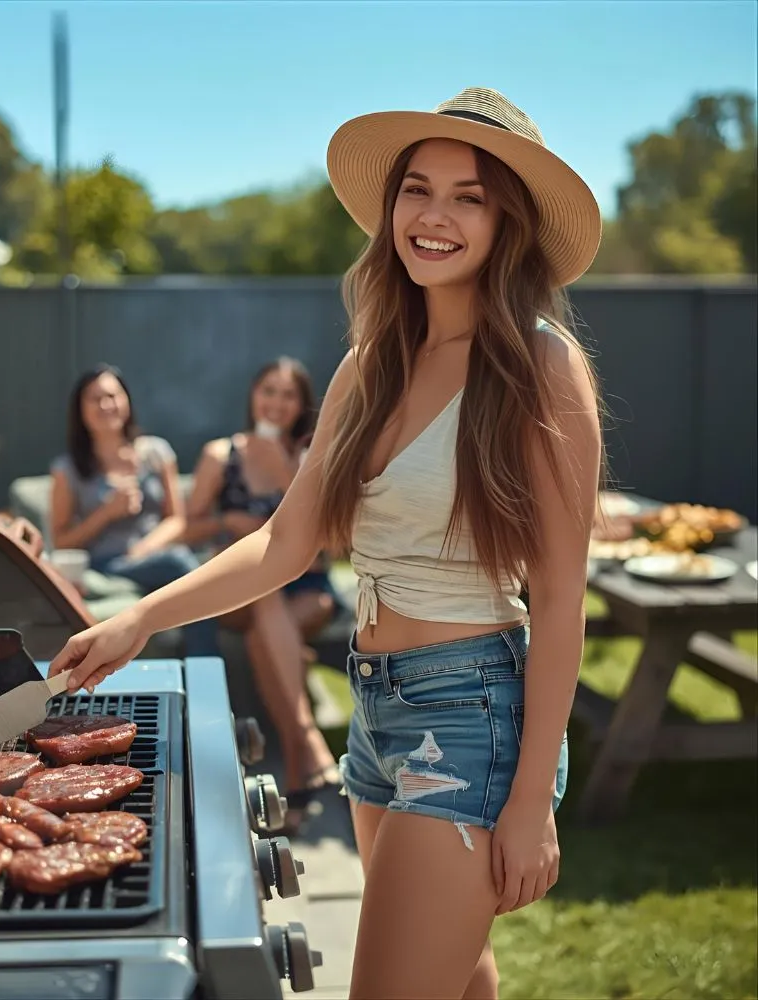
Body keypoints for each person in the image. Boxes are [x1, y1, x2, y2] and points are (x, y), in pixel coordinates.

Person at [50, 87, 603, 999]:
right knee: (460, 975)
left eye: (468, 197)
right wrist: (139, 619)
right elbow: (284, 542)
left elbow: (560, 595)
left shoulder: (541, 367)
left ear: (509, 222)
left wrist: (531, 799)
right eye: (417, 189)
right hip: (376, 706)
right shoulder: (368, 364)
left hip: (469, 714)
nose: (433, 216)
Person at [183, 357, 340, 827]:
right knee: (264, 594)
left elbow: (330, 548)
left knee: (265, 631)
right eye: (268, 390)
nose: (276, 402)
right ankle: (305, 748)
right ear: (253, 395)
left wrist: (287, 474)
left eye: (288, 394)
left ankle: (298, 770)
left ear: (301, 405)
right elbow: (188, 527)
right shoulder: (221, 455)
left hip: (305, 588)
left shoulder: (313, 455)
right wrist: (230, 521)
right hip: (241, 590)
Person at [50, 364, 218, 657]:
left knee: (185, 563)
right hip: (105, 564)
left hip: (154, 556)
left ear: (126, 401)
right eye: (95, 399)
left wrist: (145, 549)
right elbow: (61, 541)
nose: (106, 405)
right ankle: (206, 665)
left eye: (113, 396)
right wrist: (106, 513)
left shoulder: (156, 453)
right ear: (80, 410)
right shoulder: (68, 470)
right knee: (181, 564)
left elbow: (177, 520)